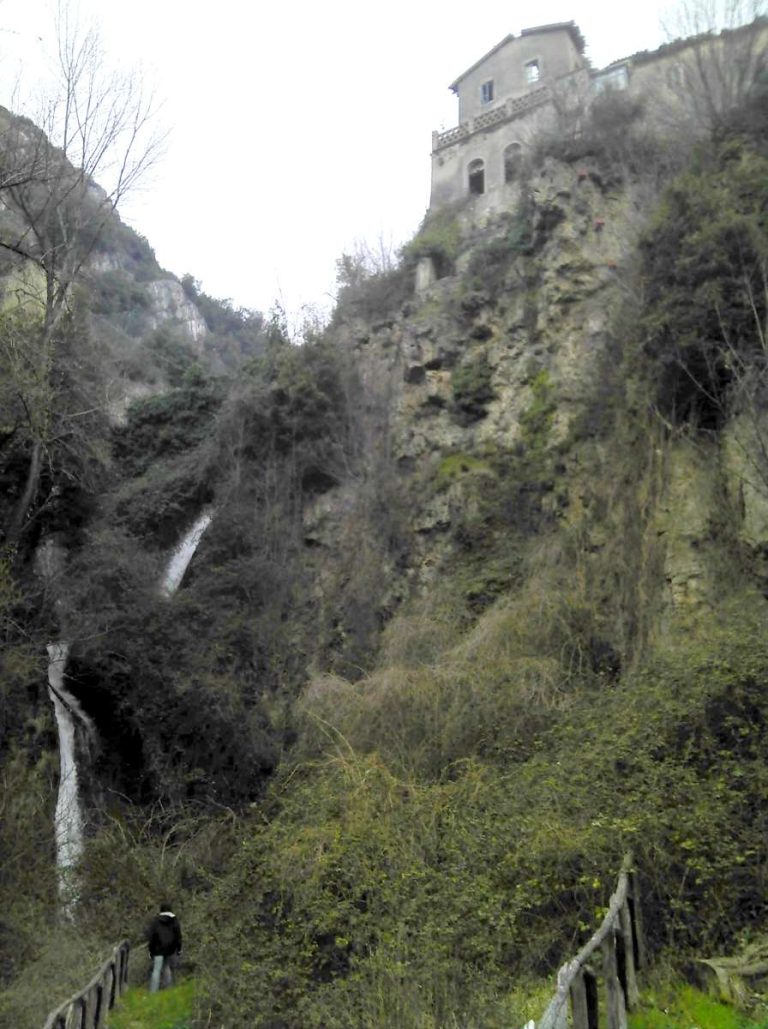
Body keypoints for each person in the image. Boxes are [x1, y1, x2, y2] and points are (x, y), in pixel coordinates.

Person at [147, 902, 182, 992]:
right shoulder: (174, 921)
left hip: (157, 949)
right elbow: (178, 935)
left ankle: (153, 991)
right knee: (167, 967)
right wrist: (178, 949)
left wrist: (150, 950)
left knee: (156, 970)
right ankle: (168, 989)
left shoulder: (156, 921)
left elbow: (152, 936)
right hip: (170, 949)